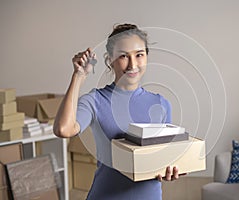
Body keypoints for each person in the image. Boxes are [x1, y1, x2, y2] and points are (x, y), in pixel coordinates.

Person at [54, 23, 182, 200]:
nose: (132, 64)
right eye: (123, 56)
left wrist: (172, 170)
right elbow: (63, 129)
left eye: (139, 55)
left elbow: (165, 157)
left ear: (146, 57)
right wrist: (79, 76)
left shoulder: (161, 103)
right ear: (110, 59)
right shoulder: (95, 101)